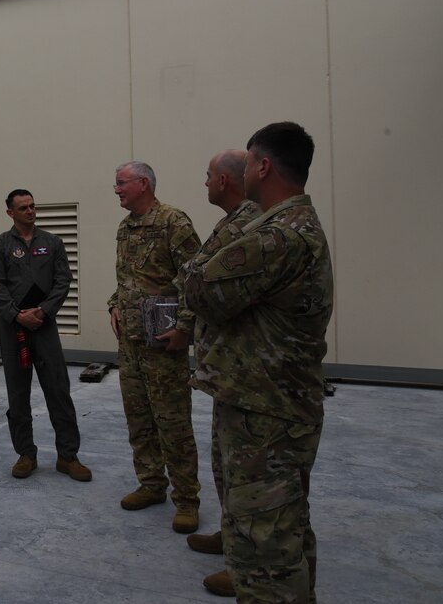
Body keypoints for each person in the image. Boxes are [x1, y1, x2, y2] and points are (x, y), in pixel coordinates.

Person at [183, 122, 333, 603]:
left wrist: (196, 269)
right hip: (266, 402)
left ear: (263, 166)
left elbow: (200, 288)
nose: (241, 170)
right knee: (281, 528)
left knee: (266, 551)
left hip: (266, 411)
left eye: (247, 162)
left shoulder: (278, 237)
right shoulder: (284, 227)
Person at [180, 150, 262, 596]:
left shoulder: (248, 223)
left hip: (248, 373)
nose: (205, 182)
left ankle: (247, 564)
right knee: (227, 466)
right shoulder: (234, 220)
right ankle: (233, 537)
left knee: (248, 475)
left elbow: (205, 280)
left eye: (209, 176)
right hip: (228, 372)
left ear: (226, 180)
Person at [108, 161, 201, 533]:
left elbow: (196, 279)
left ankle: (187, 499)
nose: (115, 189)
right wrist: (114, 303)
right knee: (139, 420)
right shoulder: (125, 227)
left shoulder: (173, 222)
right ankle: (151, 484)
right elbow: (128, 278)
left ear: (143, 183)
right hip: (130, 343)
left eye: (120, 183)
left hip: (163, 342)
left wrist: (185, 329)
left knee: (173, 423)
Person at [0, 189, 91, 482]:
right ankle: (25, 454)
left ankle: (68, 456)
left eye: (32, 206)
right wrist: (17, 315)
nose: (30, 211)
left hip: (44, 326)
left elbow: (63, 280)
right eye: (23, 208)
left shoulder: (52, 243)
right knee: (18, 394)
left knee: (58, 389)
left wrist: (43, 311)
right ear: (10, 213)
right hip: (13, 329)